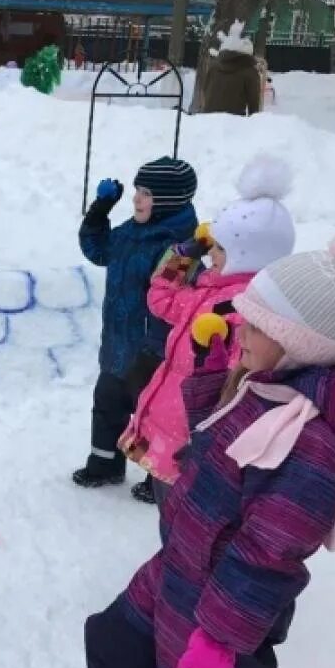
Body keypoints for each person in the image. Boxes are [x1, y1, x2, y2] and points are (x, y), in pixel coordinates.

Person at [58, 224, 335, 668]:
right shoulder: (263, 389)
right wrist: (208, 371)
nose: (239, 327)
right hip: (176, 571)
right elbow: (213, 450)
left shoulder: (309, 445)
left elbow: (270, 554)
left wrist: (220, 638)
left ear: (299, 343)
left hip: (217, 613)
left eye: (255, 323)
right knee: (113, 645)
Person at [120, 155, 296, 505]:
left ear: (244, 253)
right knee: (171, 515)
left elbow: (237, 387)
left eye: (218, 247)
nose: (210, 253)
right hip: (170, 428)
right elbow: (161, 300)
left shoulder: (242, 310)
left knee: (186, 522)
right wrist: (186, 252)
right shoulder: (208, 291)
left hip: (194, 440)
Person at [73, 158, 199, 489]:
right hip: (118, 343)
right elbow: (97, 249)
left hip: (154, 351)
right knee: (107, 406)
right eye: (136, 191)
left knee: (153, 417)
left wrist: (158, 345)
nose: (136, 199)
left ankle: (155, 477)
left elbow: (175, 301)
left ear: (168, 201)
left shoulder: (185, 248)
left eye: (145, 194)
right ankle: (104, 464)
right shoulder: (131, 233)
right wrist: (101, 209)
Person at [202, 25, 262, 116]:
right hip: (234, 122)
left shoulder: (213, 66)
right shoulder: (250, 72)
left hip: (208, 119)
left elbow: (205, 90)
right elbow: (253, 103)